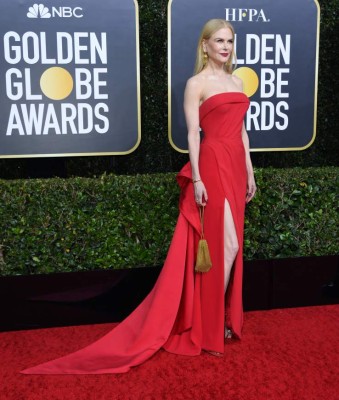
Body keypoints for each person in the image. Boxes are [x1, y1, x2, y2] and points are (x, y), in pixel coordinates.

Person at [21, 19, 256, 375]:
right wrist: (197, 179)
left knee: (231, 246)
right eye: (219, 41)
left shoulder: (237, 81)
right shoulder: (196, 84)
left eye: (230, 41)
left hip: (237, 166)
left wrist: (251, 172)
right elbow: (193, 134)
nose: (226, 47)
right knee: (226, 247)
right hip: (212, 163)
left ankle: (213, 321)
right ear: (204, 45)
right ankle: (208, 328)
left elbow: (242, 131)